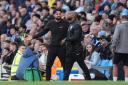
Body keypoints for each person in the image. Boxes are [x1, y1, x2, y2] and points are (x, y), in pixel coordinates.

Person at [27, 9, 69, 81]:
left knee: (65, 65)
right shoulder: (50, 23)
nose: (58, 15)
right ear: (54, 15)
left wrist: (65, 39)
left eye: (59, 13)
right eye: (56, 14)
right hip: (52, 47)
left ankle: (65, 81)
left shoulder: (66, 23)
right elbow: (43, 32)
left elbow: (71, 33)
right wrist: (33, 36)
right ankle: (47, 82)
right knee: (48, 65)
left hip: (62, 48)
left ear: (61, 14)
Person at [64, 11, 91, 80]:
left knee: (83, 66)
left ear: (74, 16)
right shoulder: (70, 25)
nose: (68, 16)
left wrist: (66, 39)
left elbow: (76, 37)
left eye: (70, 14)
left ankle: (89, 79)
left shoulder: (77, 25)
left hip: (76, 50)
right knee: (67, 68)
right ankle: (64, 81)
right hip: (70, 50)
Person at [112, 9, 128, 82]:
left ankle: (115, 81)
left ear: (122, 17)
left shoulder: (119, 26)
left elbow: (115, 38)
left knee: (115, 65)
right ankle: (126, 81)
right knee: (126, 66)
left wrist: (113, 46)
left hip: (119, 50)